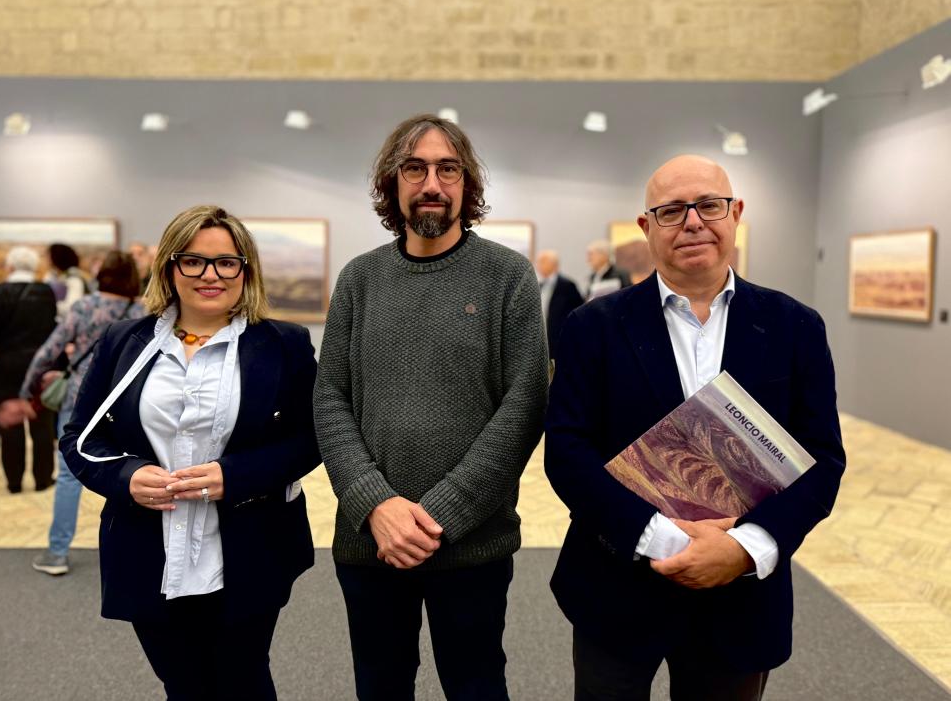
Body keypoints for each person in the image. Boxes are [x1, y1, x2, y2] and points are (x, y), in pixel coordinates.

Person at [545, 155, 846, 700]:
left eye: (708, 205)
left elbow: (823, 460)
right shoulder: (591, 327)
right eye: (671, 210)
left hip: (742, 596)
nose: (692, 221)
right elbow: (567, 451)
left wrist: (745, 547)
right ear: (646, 227)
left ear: (736, 214)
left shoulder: (795, 327)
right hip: (617, 583)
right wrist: (664, 538)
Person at [314, 113, 548, 701]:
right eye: (414, 168)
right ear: (392, 184)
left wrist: (437, 516)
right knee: (380, 687)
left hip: (472, 546)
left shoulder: (507, 278)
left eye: (448, 169)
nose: (432, 183)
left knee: (476, 688)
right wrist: (378, 506)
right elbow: (329, 398)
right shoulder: (360, 279)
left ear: (467, 185)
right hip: (371, 542)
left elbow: (524, 406)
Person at [60, 206, 320, 699]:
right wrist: (126, 477)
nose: (210, 275)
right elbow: (80, 438)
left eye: (227, 262)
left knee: (243, 679)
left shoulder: (284, 344)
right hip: (146, 549)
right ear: (170, 269)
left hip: (250, 545)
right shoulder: (124, 342)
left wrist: (236, 475)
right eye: (193, 261)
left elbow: (312, 438)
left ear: (246, 269)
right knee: (182, 683)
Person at [0, 251, 147, 576]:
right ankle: (131, 554)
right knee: (132, 470)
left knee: (68, 475)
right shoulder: (140, 310)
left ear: (102, 273)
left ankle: (57, 553)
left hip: (81, 399)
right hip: (126, 403)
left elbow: (48, 351)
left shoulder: (85, 307)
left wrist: (25, 393)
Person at [0, 246, 57, 492]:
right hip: (41, 366)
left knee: (10, 423)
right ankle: (43, 479)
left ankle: (14, 482)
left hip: (6, 365)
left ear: (9, 267)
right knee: (42, 422)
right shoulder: (45, 292)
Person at [535, 249, 584, 362]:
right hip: (541, 337)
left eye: (542, 261)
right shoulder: (539, 284)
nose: (538, 265)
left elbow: (578, 311)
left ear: (553, 264)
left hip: (559, 338)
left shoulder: (567, 285)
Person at [45, 243, 89, 318]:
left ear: (56, 257)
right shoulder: (50, 276)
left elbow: (72, 307)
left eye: (48, 256)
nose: (46, 259)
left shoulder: (74, 279)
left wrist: (47, 305)